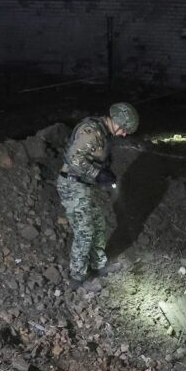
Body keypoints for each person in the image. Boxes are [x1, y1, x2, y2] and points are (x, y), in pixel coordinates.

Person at [57, 102, 139, 288]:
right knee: (85, 231)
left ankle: (98, 265)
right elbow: (73, 158)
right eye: (124, 129)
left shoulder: (103, 132)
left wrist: (103, 173)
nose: (124, 134)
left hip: (83, 184)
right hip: (71, 184)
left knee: (98, 224)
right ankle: (77, 277)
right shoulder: (91, 131)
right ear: (116, 121)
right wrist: (97, 174)